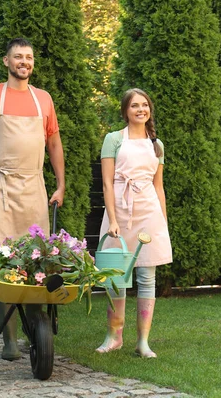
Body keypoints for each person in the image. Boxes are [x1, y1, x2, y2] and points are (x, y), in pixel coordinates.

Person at [0, 38, 65, 361]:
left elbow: (55, 144)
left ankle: (37, 330)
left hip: (34, 187)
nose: (24, 61)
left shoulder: (43, 100)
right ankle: (10, 340)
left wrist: (61, 185)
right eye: (18, 56)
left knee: (35, 262)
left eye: (29, 57)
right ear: (6, 61)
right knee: (2, 262)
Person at [96, 88, 172, 358]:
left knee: (147, 276)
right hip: (120, 209)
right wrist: (113, 219)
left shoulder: (157, 145)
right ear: (125, 111)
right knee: (116, 276)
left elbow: (158, 186)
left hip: (148, 210)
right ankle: (114, 336)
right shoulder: (113, 139)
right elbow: (106, 182)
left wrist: (161, 221)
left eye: (145, 105)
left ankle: (142, 342)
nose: (141, 109)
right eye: (134, 106)